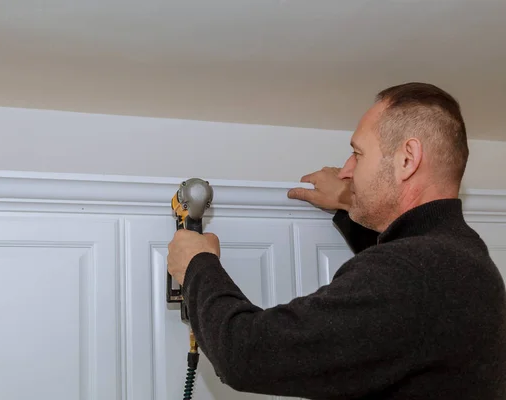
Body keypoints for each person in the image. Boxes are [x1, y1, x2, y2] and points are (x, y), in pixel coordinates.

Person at [167, 82, 506, 399]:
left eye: (358, 153)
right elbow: (396, 312)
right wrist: (351, 205)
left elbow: (244, 355)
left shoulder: (412, 272)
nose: (346, 170)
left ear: (407, 159)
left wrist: (197, 265)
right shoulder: (463, 259)